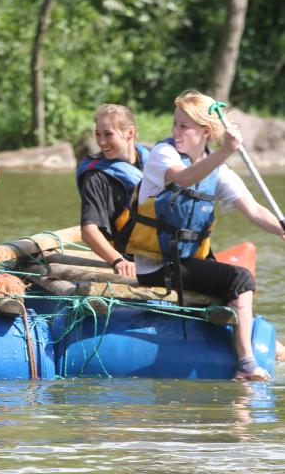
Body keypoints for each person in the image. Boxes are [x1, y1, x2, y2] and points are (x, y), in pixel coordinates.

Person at [127, 89, 285, 381]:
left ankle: (260, 345)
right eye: (174, 124)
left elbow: (253, 210)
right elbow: (185, 178)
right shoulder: (164, 154)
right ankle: (246, 365)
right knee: (241, 278)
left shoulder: (220, 174)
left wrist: (281, 230)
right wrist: (226, 150)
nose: (176, 131)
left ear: (207, 131)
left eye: (184, 126)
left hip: (184, 262)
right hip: (155, 265)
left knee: (231, 280)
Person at [77, 104, 149, 277]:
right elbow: (88, 231)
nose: (101, 142)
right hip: (129, 260)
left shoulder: (151, 160)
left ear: (130, 133)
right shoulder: (96, 178)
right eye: (97, 134)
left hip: (159, 253)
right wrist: (118, 261)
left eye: (108, 134)